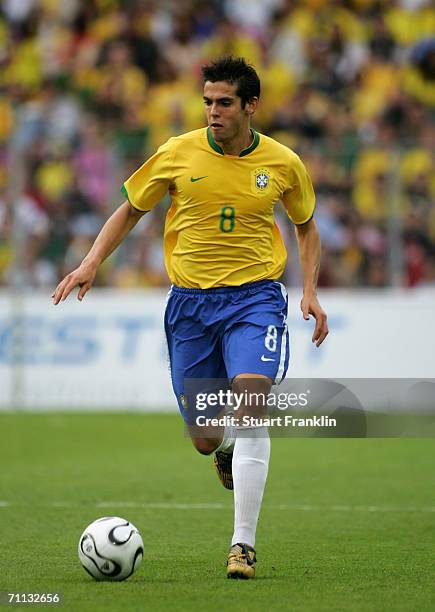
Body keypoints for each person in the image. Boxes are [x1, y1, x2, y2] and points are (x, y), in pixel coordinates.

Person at [52, 56, 328, 579]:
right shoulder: (177, 153)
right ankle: (221, 449)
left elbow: (307, 227)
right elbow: (131, 208)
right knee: (204, 436)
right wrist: (90, 263)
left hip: (256, 300)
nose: (213, 112)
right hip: (191, 307)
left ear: (251, 105)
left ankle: (242, 545)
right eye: (207, 102)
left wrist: (309, 291)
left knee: (251, 403)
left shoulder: (284, 163)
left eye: (224, 103)